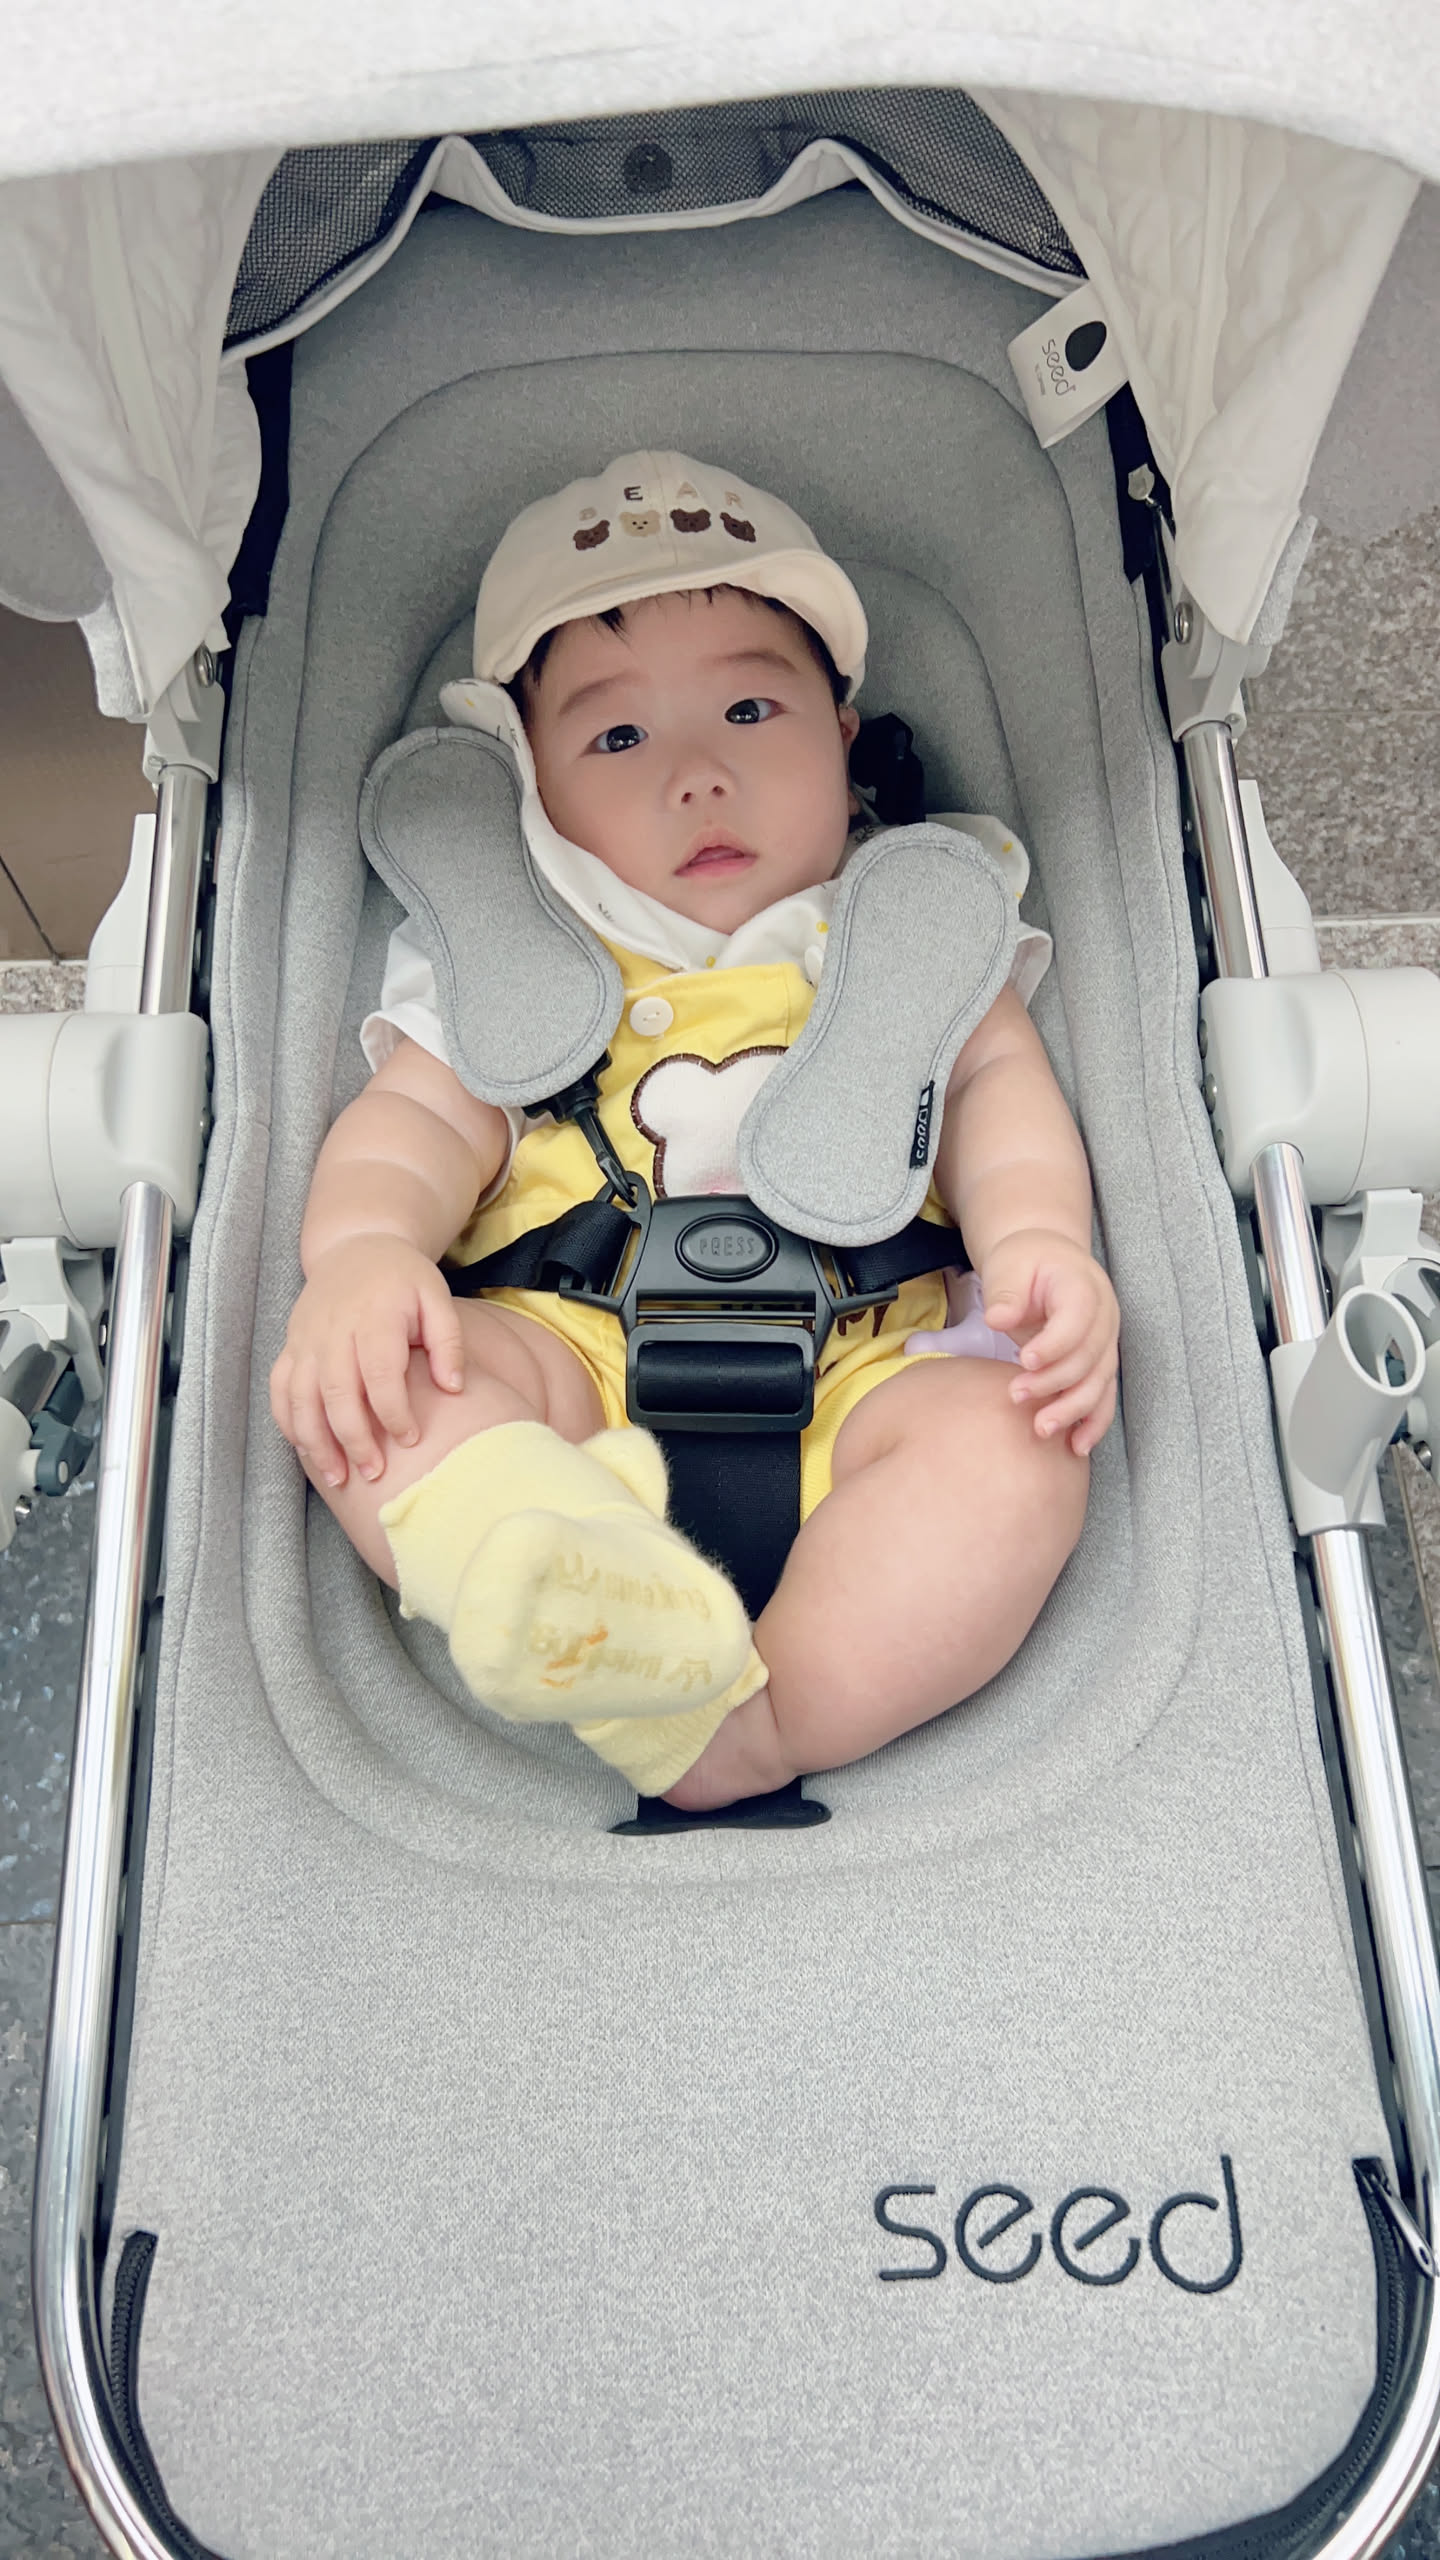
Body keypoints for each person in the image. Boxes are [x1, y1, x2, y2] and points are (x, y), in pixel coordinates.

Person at [270, 451, 1119, 1810]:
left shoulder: (907, 926)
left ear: (842, 735)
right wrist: (365, 1256)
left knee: (1017, 1446)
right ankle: (561, 1574)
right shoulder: (519, 954)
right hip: (569, 1367)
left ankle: (752, 1722)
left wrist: (1038, 1245)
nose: (699, 775)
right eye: (617, 739)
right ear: (530, 786)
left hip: (874, 1371)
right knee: (383, 1396)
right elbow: (409, 1127)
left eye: (749, 708)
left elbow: (994, 1100)